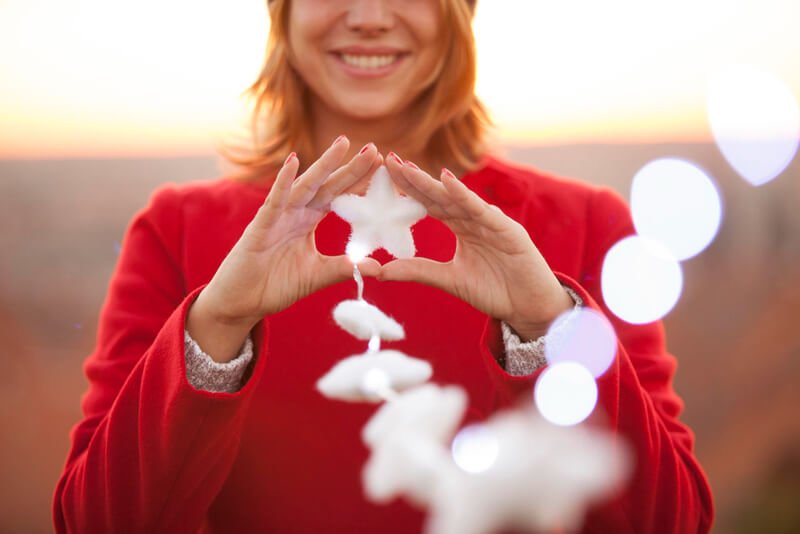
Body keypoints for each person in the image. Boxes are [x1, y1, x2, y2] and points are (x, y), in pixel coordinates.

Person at [53, 0, 714, 532]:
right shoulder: (178, 232)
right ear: (280, 13)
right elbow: (98, 521)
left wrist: (548, 328)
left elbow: (670, 520)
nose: (369, 14)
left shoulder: (584, 226)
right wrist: (218, 324)